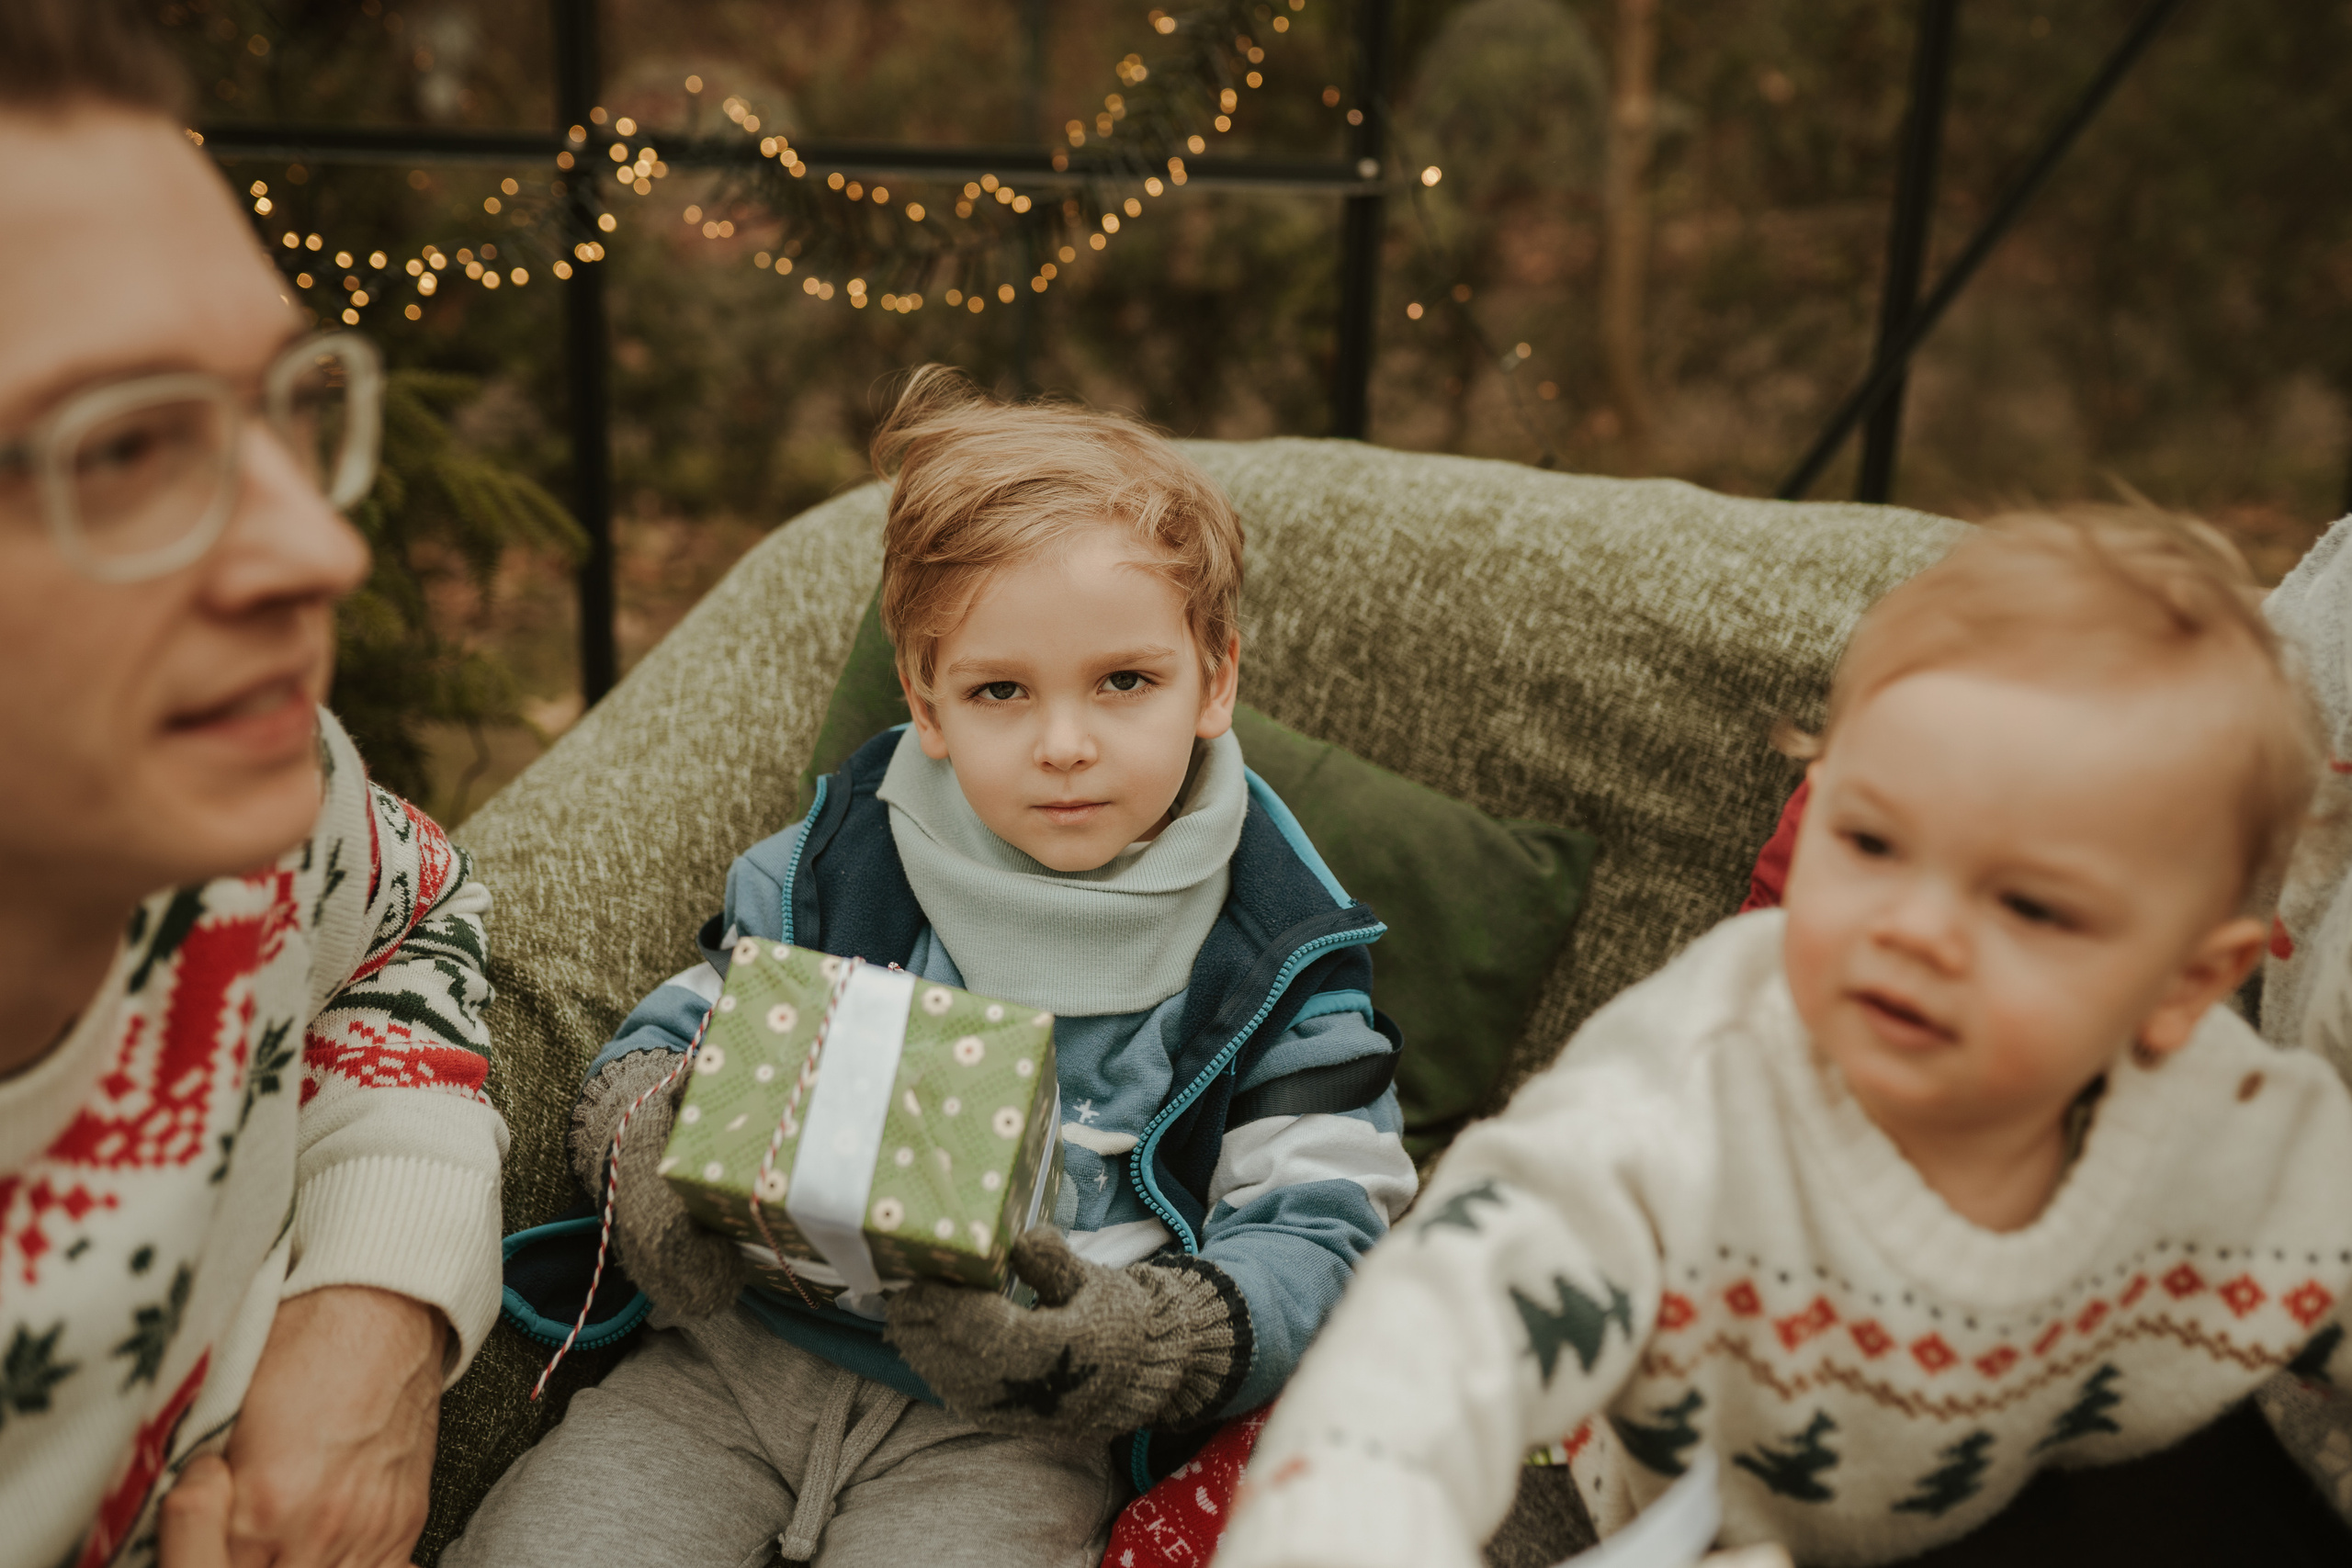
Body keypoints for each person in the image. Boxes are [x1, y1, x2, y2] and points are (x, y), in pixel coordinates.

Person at [1214, 508, 2352, 1568]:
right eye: (1871, 843)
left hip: (1996, 1493)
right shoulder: (1697, 1085)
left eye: (2030, 907)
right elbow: (1455, 1305)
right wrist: (1349, 1514)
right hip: (1636, 1498)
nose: (1913, 931)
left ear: (2183, 984)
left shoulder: (2231, 1129)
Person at [448, 368, 1418, 1567]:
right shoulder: (833, 866)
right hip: (728, 1367)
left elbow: (1324, 1221)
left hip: (1015, 1430)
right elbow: (662, 1046)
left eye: (1126, 680)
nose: (1066, 743)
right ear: (927, 698)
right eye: (1001, 689)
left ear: (1214, 676)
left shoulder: (1281, 949)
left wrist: (1145, 1338)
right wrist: (646, 1161)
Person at [0, 6, 510, 1566]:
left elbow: (418, 930)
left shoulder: (259, 822)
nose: (320, 548)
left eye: (284, 407)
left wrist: (374, 1306)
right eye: (130, 446)